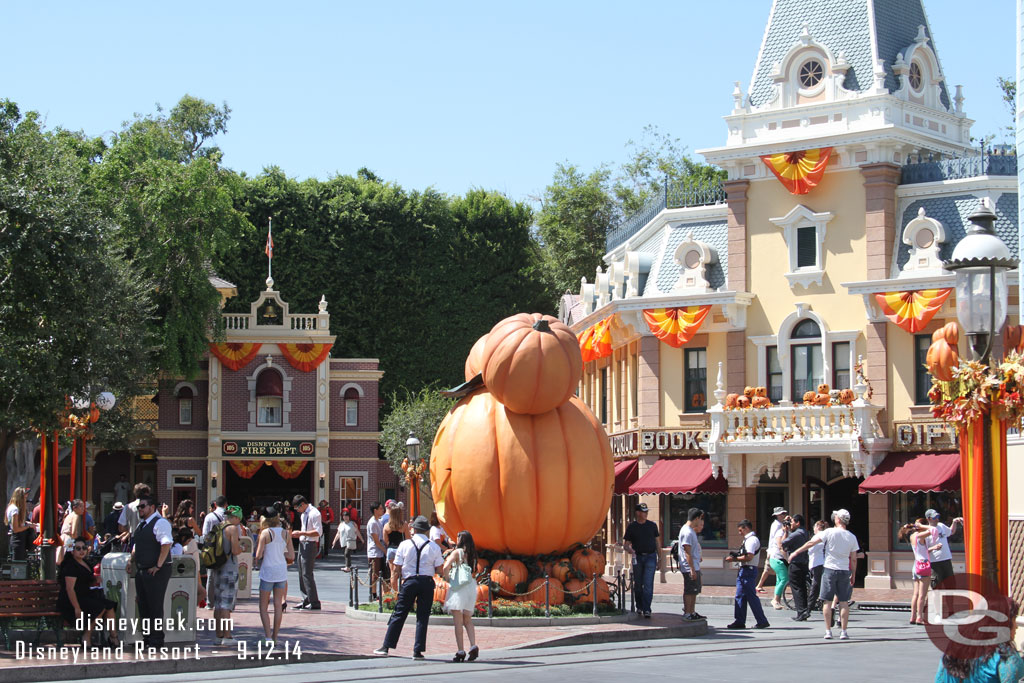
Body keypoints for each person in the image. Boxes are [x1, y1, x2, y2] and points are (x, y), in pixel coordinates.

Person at [373, 515, 444, 659]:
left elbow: (397, 568)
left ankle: (386, 646)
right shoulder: (434, 547)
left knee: (399, 614)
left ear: (414, 529)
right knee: (423, 617)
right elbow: (439, 569)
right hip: (426, 582)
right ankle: (418, 650)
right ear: (426, 531)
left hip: (409, 581)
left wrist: (397, 582)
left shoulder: (404, 545)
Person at [790, 508, 859, 640]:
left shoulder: (829, 532)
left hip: (829, 569)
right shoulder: (851, 537)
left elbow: (811, 542)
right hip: (844, 570)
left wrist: (796, 552)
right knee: (843, 602)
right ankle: (844, 631)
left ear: (837, 519)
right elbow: (854, 558)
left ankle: (828, 631)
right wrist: (853, 574)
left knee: (827, 601)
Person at [935, 598, 1024, 682]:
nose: (1016, 626)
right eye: (1014, 619)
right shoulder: (1006, 656)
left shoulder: (953, 649)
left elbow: (939, 679)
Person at [58, 537, 119, 648]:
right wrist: (76, 608)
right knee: (100, 606)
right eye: (78, 548)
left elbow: (84, 582)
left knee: (109, 604)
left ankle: (113, 636)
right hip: (72, 601)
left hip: (85, 595)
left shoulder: (85, 562)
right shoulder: (70, 566)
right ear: (72, 550)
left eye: (84, 548)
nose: (82, 551)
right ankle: (86, 635)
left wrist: (95, 580)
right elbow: (70, 589)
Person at [130, 494, 173, 649]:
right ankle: (147, 638)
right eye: (138, 507)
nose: (139, 509)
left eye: (142, 506)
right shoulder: (141, 525)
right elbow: (138, 545)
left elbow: (166, 544)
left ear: (152, 507)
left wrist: (159, 566)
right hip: (142, 570)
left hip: (156, 571)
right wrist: (131, 560)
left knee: (154, 606)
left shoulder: (160, 523)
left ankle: (156, 640)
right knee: (143, 605)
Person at [256, 506, 294, 646]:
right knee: (278, 605)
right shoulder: (285, 533)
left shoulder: (265, 533)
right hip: (281, 571)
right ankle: (275, 636)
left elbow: (258, 554)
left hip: (267, 571)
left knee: (263, 606)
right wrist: (281, 554)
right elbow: (291, 555)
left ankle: (267, 637)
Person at [442, 530, 480, 662]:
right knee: (468, 620)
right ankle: (473, 645)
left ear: (460, 539)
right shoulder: (472, 554)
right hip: (471, 587)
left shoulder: (457, 552)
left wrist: (447, 578)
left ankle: (460, 650)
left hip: (459, 587)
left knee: (458, 621)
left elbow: (446, 566)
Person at [725, 519, 771, 630]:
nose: (739, 533)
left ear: (746, 528)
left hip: (748, 570)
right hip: (745, 570)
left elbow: (749, 556)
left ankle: (762, 621)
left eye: (740, 530)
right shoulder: (748, 540)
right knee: (740, 596)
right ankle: (740, 621)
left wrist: (734, 559)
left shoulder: (751, 540)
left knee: (751, 597)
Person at [209, 505, 244, 645]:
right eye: (239, 519)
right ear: (235, 517)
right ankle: (227, 636)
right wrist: (241, 548)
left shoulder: (218, 527)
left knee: (217, 603)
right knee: (226, 604)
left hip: (217, 567)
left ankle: (218, 635)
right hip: (229, 568)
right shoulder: (232, 529)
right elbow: (235, 550)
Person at [623, 502, 660, 618]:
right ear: (638, 513)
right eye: (643, 512)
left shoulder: (652, 525)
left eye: (647, 512)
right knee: (638, 584)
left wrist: (660, 558)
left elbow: (657, 542)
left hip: (651, 556)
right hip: (637, 557)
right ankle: (639, 606)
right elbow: (626, 544)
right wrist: (630, 550)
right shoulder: (632, 526)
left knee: (648, 584)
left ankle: (647, 609)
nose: (646, 514)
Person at [900, 519, 935, 625]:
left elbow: (922, 551)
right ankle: (920, 617)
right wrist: (923, 526)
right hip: (924, 566)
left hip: (916, 565)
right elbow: (933, 530)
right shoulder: (920, 536)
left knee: (915, 594)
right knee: (922, 594)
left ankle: (913, 616)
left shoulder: (912, 536)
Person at [291, 495, 322, 610]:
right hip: (302, 544)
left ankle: (314, 602)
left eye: (297, 508)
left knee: (307, 573)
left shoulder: (315, 513)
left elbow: (318, 532)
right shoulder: (303, 514)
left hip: (310, 544)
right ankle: (305, 599)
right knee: (301, 572)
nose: (297, 511)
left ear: (302, 504)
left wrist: (302, 533)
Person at [921, 509, 963, 588]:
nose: (937, 519)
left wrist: (954, 522)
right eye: (934, 517)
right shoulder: (925, 532)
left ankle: (950, 600)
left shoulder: (941, 525)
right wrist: (934, 548)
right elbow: (922, 551)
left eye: (938, 516)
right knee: (937, 587)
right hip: (935, 563)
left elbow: (951, 532)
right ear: (928, 519)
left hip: (946, 560)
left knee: (951, 586)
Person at [780, 514, 810, 621]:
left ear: (798, 523)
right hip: (804, 563)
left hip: (796, 563)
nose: (790, 524)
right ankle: (805, 610)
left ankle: (801, 612)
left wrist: (785, 531)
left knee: (796, 588)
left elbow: (782, 544)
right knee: (802, 587)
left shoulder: (796, 534)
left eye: (792, 522)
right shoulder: (805, 532)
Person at [678, 507, 705, 621]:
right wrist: (692, 569)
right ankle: (688, 612)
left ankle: (692, 611)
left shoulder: (690, 530)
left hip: (694, 565)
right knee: (690, 590)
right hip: (689, 566)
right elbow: (687, 551)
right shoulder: (687, 531)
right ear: (697, 518)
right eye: (700, 519)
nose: (701, 522)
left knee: (694, 590)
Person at [383, 502, 410, 593]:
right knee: (403, 572)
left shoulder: (387, 526)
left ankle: (395, 594)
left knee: (392, 573)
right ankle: (402, 593)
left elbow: (385, 540)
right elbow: (408, 539)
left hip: (391, 549)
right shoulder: (404, 525)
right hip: (401, 550)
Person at [6, 487, 35, 560]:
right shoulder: (15, 509)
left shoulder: (12, 507)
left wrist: (26, 523)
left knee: (21, 564)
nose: (25, 500)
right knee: (18, 565)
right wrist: (28, 526)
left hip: (19, 539)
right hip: (18, 540)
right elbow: (16, 529)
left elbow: (18, 524)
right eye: (24, 498)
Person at [367, 502, 387, 599]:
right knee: (374, 574)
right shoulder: (372, 523)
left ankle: (382, 594)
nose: (382, 510)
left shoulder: (378, 521)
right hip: (374, 552)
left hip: (380, 552)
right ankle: (373, 594)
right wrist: (385, 551)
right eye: (380, 508)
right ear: (375, 510)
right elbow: (376, 541)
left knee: (381, 574)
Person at [808, 519, 827, 609]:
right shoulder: (826, 535)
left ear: (818, 527)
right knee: (820, 584)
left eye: (815, 526)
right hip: (822, 562)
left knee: (815, 585)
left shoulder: (817, 537)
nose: (813, 528)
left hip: (817, 562)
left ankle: (810, 606)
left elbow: (811, 549)